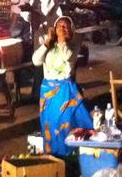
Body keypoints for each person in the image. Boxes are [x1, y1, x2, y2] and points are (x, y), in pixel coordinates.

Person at [32, 16, 92, 156]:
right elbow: (36, 61)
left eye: (65, 26)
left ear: (71, 30)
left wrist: (62, 41)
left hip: (64, 90)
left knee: (64, 123)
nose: (62, 29)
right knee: (49, 123)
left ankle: (67, 155)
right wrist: (47, 42)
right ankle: (53, 155)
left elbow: (68, 57)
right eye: (59, 26)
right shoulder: (49, 45)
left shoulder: (74, 44)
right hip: (47, 91)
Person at [29, 0, 62, 99]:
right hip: (40, 29)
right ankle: (38, 90)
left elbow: (45, 11)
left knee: (42, 60)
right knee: (40, 60)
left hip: (45, 30)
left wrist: (32, 6)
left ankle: (40, 91)